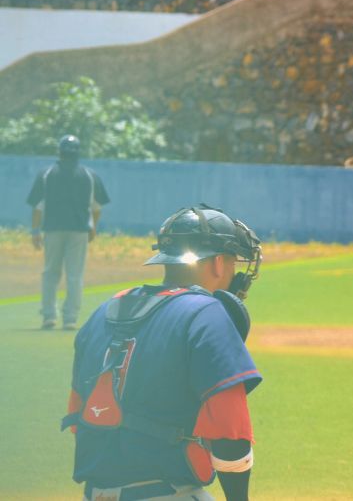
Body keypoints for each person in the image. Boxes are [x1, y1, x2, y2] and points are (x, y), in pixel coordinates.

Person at [62, 204, 263, 501]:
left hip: (96, 493)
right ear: (219, 263)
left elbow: (79, 415)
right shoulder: (207, 312)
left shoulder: (106, 310)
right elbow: (230, 432)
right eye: (233, 262)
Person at [26, 134, 111, 330]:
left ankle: (49, 316)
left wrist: (35, 231)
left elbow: (38, 207)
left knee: (50, 273)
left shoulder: (47, 174)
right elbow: (97, 208)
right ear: (78, 152)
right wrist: (94, 227)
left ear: (59, 151)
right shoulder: (89, 175)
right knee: (74, 275)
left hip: (53, 230)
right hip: (79, 231)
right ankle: (70, 319)